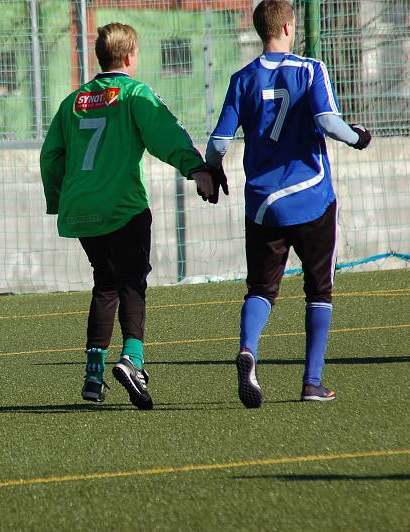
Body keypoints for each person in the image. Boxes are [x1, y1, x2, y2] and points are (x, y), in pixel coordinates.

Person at [40, 22, 223, 410]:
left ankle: (93, 374)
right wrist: (196, 168)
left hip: (83, 210)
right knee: (132, 284)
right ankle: (133, 361)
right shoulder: (134, 94)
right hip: (123, 207)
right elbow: (165, 133)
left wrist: (61, 200)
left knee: (104, 283)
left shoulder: (72, 100)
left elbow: (50, 155)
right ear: (129, 57)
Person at [206, 0, 372, 408]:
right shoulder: (309, 68)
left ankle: (249, 349)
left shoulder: (241, 78)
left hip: (262, 203)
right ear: (286, 26)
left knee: (261, 288)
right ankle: (312, 382)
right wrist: (359, 136)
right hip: (311, 197)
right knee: (319, 289)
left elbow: (218, 142)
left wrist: (212, 170)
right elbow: (328, 122)